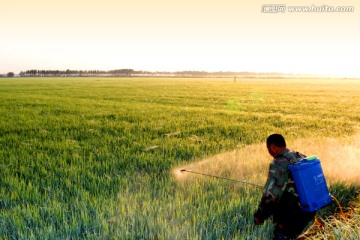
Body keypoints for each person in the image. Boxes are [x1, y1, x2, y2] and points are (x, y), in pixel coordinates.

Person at [254, 134, 316, 239]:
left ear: (273, 147)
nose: (269, 152)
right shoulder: (299, 156)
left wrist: (260, 215)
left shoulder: (279, 163)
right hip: (309, 209)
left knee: (281, 235)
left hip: (293, 212)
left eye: (268, 148)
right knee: (291, 235)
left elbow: (271, 195)